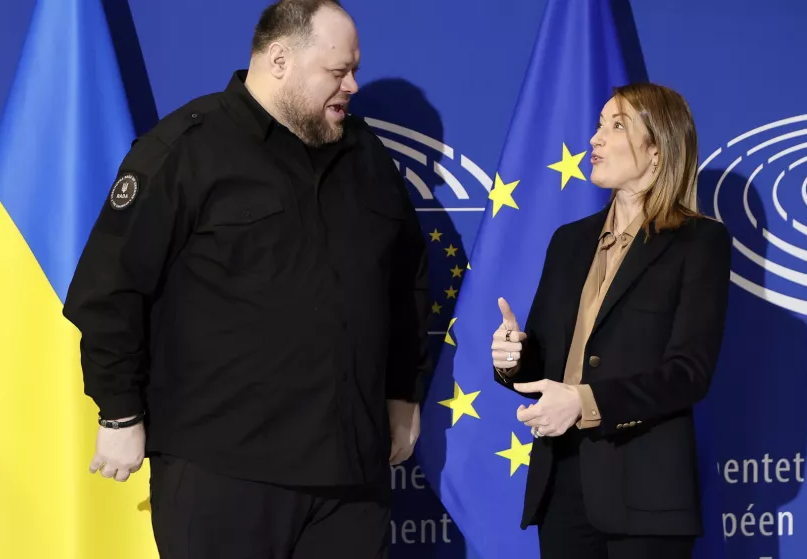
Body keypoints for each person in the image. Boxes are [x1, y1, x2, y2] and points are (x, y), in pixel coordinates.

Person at [62, 1, 431, 557]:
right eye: (338, 72)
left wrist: (402, 393)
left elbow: (405, 284)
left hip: (350, 475)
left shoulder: (366, 155)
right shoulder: (184, 151)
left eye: (353, 69)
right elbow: (109, 292)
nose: (353, 85)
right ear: (279, 60)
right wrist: (118, 411)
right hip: (224, 469)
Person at [489, 83, 731, 559]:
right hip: (561, 485)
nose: (595, 139)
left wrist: (585, 402)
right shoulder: (568, 241)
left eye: (616, 125)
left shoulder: (699, 242)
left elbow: (688, 374)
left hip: (645, 497)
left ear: (657, 150)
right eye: (599, 124)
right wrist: (512, 359)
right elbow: (545, 362)